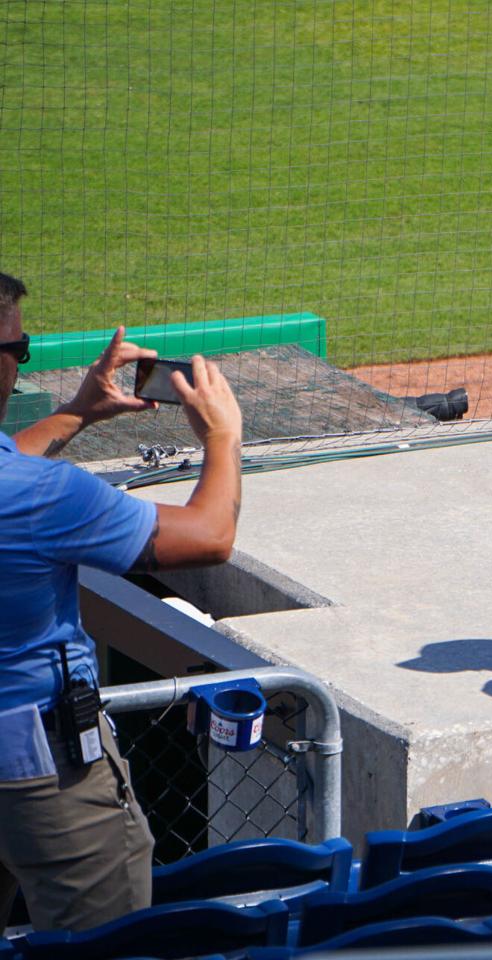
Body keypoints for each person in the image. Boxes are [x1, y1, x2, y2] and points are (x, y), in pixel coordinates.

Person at [0, 271, 244, 932]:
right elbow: (209, 535)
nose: (19, 365)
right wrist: (221, 438)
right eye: (17, 352)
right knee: (103, 942)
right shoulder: (43, 496)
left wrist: (78, 412)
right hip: (41, 777)